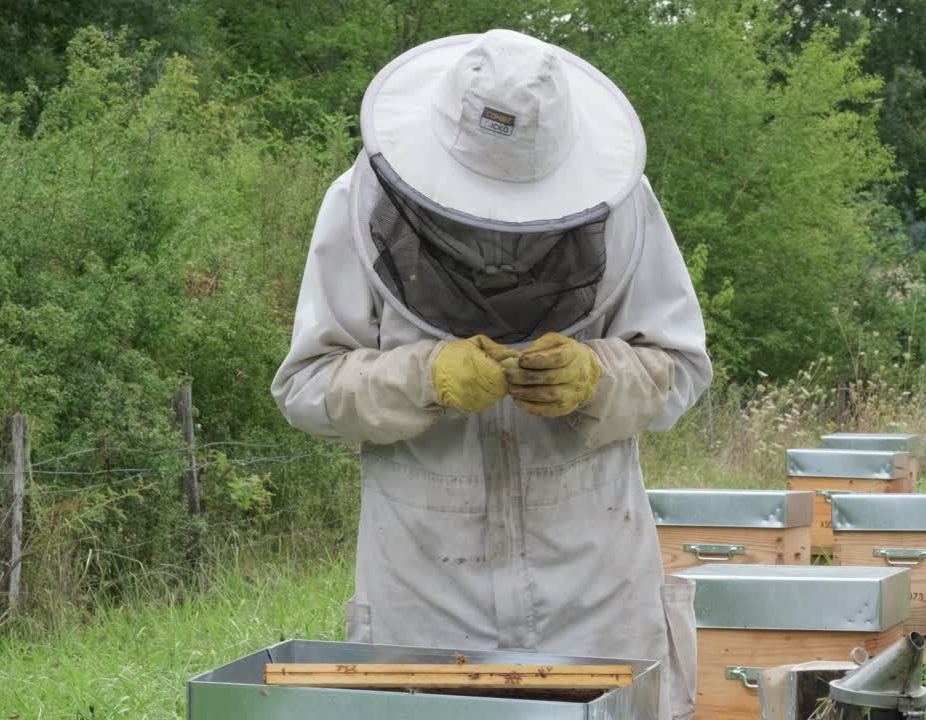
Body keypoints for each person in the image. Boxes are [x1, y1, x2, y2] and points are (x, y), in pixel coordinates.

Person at [270, 29, 712, 719]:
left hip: (593, 584)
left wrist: (598, 378)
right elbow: (305, 387)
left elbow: (679, 368)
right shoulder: (357, 203)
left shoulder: (623, 207)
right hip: (426, 593)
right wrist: (424, 377)